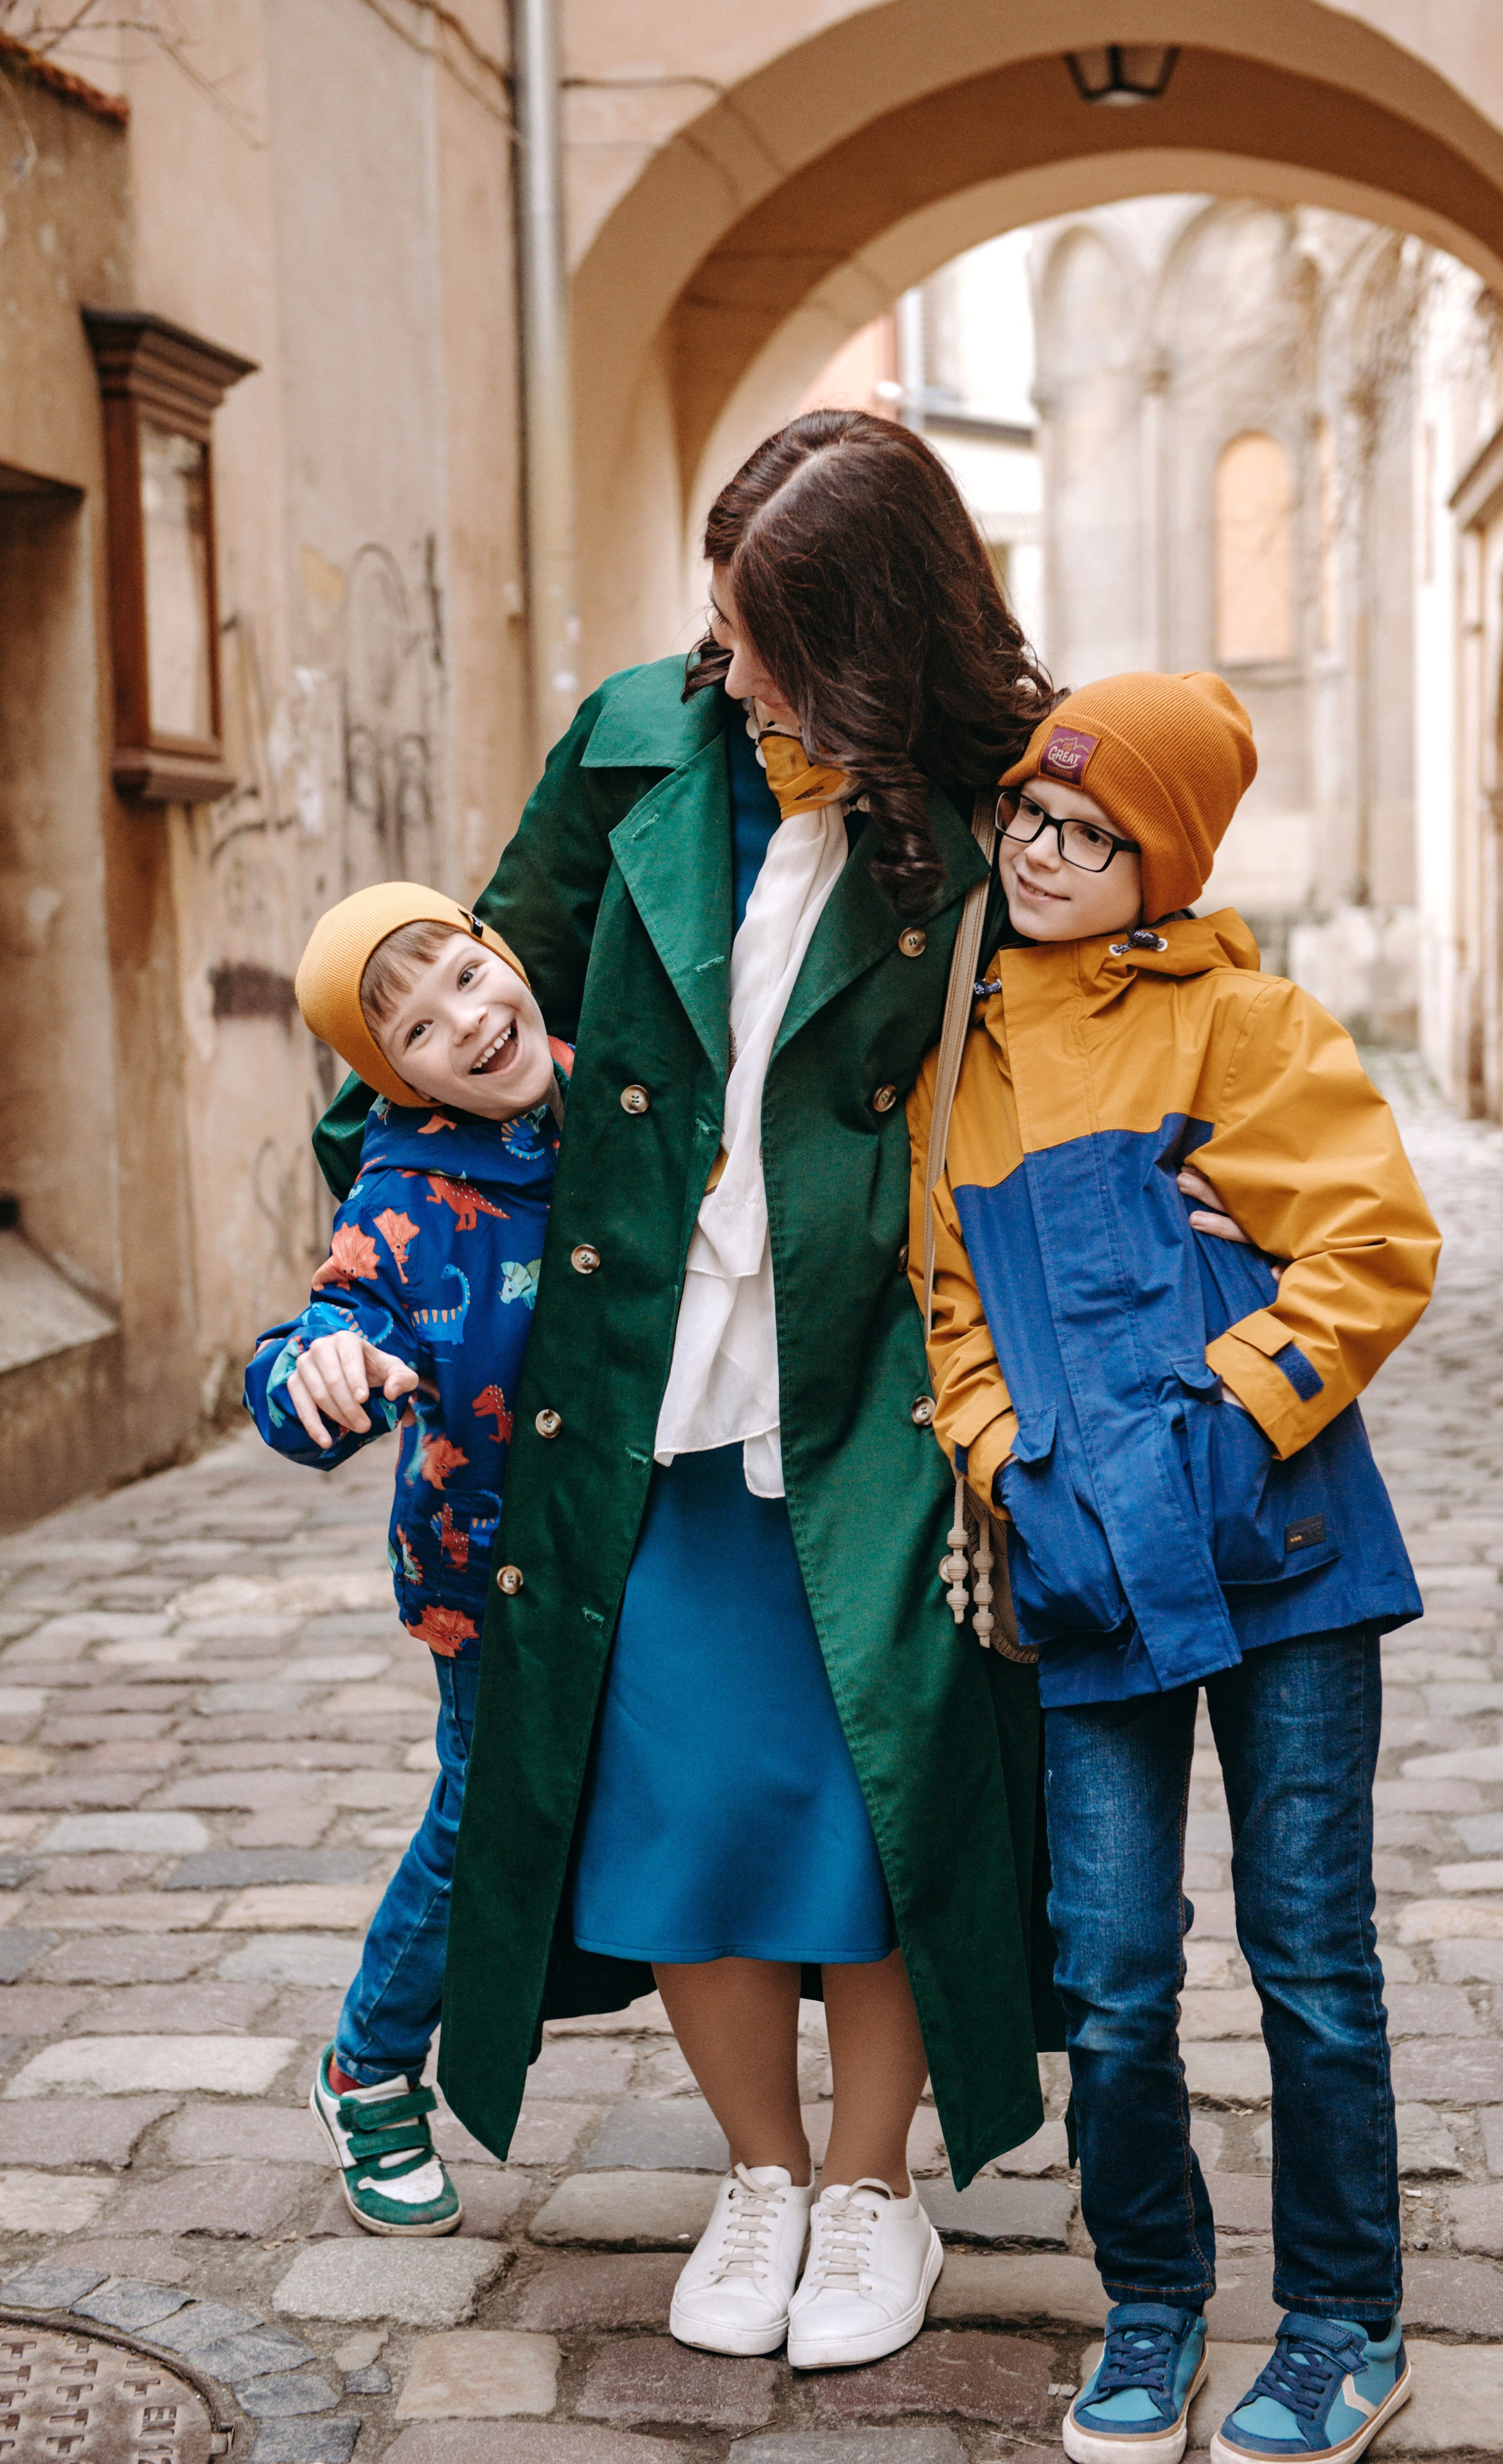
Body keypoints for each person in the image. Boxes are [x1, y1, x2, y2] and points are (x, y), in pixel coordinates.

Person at [308, 411, 1070, 2370]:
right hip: (633, 1385)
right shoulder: (638, 738)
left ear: (866, 638)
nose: (724, 666)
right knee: (683, 1804)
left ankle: (873, 2187)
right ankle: (755, 2173)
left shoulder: (997, 810)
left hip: (880, 1389)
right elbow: (452, 994)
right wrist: (397, 1262)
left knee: (878, 1801)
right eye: (715, 624)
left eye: (760, 634)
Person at [909, 673, 1441, 2464]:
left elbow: (1371, 1240)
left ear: (1168, 859)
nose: (1045, 855)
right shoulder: (964, 1059)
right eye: (1030, 820)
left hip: (1283, 1554)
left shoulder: (1247, 1022)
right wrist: (1006, 1459)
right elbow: (952, 1309)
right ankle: (1149, 2297)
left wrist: (1232, 1411)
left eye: (1093, 833)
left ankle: (1345, 2322)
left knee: (1310, 1959)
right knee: (1115, 1968)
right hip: (1083, 1576)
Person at [245, 884, 570, 2235]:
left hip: (643, 1538)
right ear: (394, 1077)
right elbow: (310, 1343)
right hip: (485, 1570)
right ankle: (369, 2067)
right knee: (482, 1821)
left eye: (461, 976)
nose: (466, 1023)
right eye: (415, 1028)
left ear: (501, 954)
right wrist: (324, 1368)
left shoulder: (626, 1090)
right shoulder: (404, 1200)